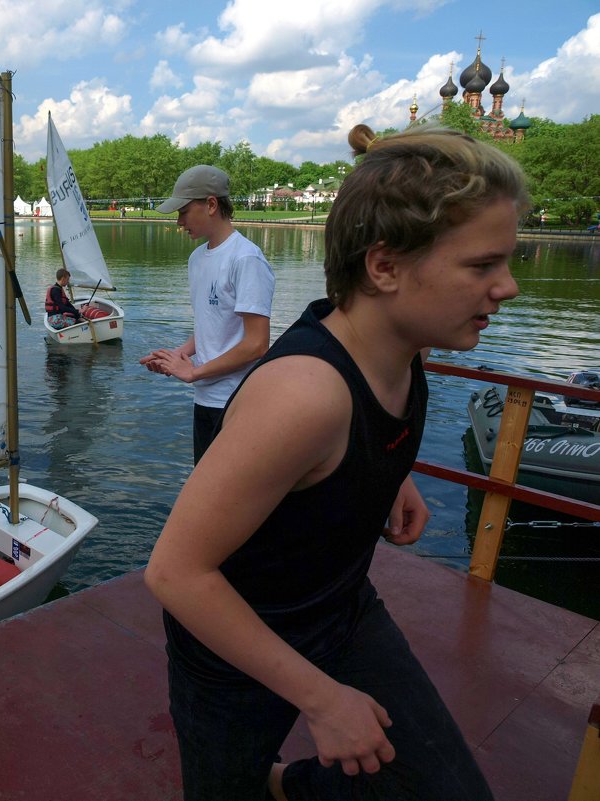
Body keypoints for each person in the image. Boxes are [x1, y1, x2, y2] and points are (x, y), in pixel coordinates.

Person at [144, 123, 528, 801]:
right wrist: (322, 700)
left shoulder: (402, 348)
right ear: (383, 267)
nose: (510, 287)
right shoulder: (302, 395)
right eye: (482, 266)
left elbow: (363, 417)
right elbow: (175, 571)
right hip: (234, 652)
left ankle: (290, 783)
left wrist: (385, 472)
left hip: (341, 608)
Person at [140, 165, 275, 464]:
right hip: (204, 400)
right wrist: (176, 357)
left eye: (184, 212)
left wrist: (194, 372)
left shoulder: (246, 259)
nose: (179, 222)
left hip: (237, 402)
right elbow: (211, 328)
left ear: (211, 204)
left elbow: (257, 345)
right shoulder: (197, 259)